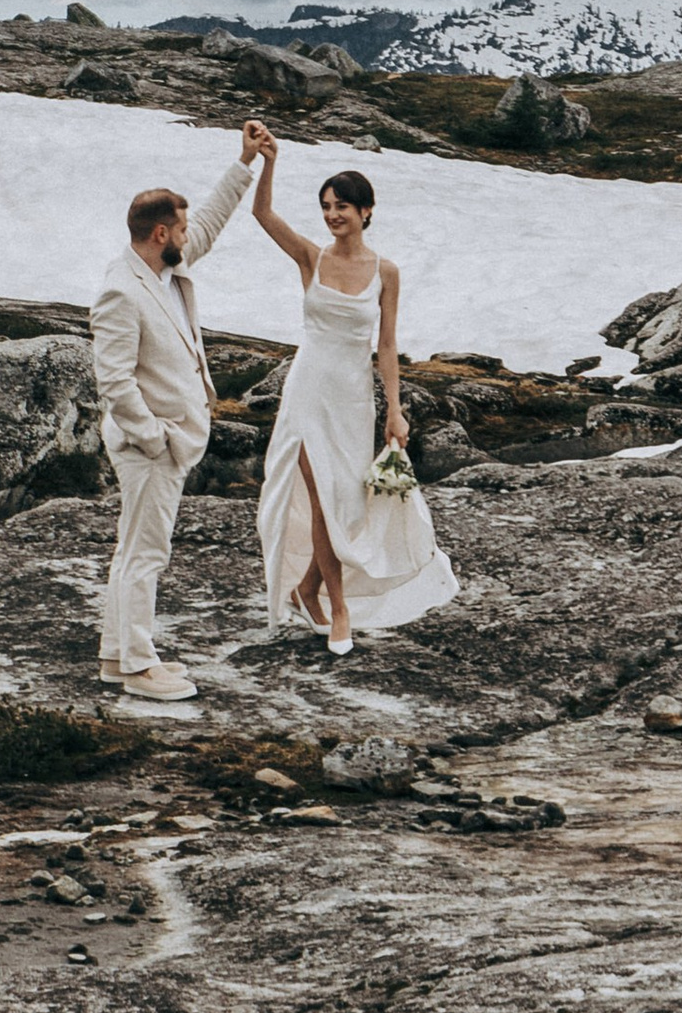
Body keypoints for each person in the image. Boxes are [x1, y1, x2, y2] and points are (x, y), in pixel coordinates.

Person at [249, 137, 457, 651]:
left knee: (348, 504)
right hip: (307, 390)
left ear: (366, 211)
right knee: (322, 500)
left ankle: (306, 588)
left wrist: (395, 409)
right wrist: (267, 161)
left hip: (352, 397)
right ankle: (338, 609)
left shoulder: (386, 272)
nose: (332, 215)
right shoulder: (311, 258)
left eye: (341, 206)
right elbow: (262, 212)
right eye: (325, 207)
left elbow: (386, 345)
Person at [90, 124, 268, 702]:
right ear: (160, 232)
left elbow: (211, 220)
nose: (190, 237)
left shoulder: (166, 268)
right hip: (152, 446)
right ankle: (141, 667)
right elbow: (113, 379)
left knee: (133, 550)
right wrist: (154, 439)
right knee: (146, 554)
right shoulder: (122, 289)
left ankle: (118, 657)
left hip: (164, 441)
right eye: (182, 229)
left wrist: (244, 163)